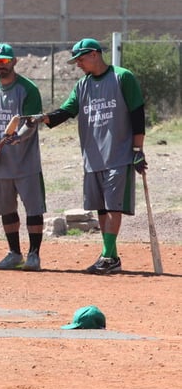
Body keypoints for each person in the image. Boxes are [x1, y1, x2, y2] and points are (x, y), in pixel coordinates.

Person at [38, 38, 146, 274]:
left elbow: (138, 113)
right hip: (93, 157)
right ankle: (112, 258)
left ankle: (107, 256)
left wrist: (138, 150)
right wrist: (42, 117)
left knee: (113, 207)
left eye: (80, 59)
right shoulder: (82, 85)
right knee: (101, 208)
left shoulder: (122, 77)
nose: (78, 64)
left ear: (95, 54)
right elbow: (67, 111)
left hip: (119, 154)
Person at [0, 43, 46, 271]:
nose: (1, 66)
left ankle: (34, 254)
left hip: (26, 161)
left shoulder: (28, 89)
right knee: (6, 208)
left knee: (33, 208)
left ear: (14, 62)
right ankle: (14, 253)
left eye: (5, 61)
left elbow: (31, 122)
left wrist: (18, 137)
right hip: (0, 163)